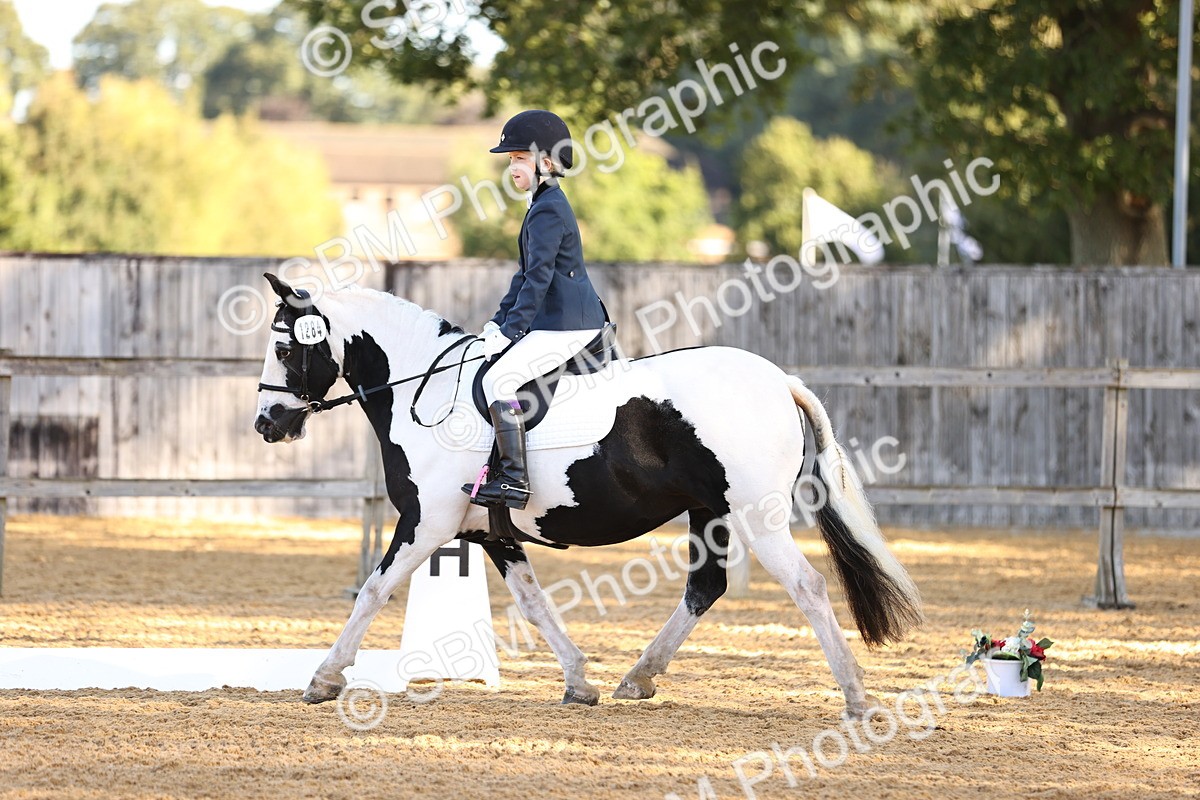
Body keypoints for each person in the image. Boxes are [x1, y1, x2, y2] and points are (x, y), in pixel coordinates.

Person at [461, 110, 607, 510]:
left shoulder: (548, 208)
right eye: (509, 160)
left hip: (569, 325)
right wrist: (498, 321)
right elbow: (523, 276)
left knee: (499, 382)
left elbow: (539, 281)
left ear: (545, 162)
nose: (512, 167)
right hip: (554, 322)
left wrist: (511, 333)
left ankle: (513, 479)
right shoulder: (539, 204)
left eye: (519, 158)